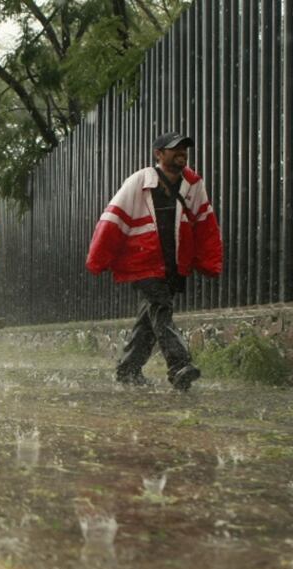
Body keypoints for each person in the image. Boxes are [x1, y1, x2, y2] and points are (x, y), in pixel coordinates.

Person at [85, 132, 222, 390]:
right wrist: (98, 258)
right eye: (174, 149)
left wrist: (209, 261)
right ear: (158, 154)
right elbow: (113, 219)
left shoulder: (193, 185)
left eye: (184, 148)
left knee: (148, 321)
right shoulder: (140, 181)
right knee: (161, 308)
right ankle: (179, 365)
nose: (181, 153)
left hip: (173, 265)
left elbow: (206, 226)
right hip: (143, 262)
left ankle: (128, 370)